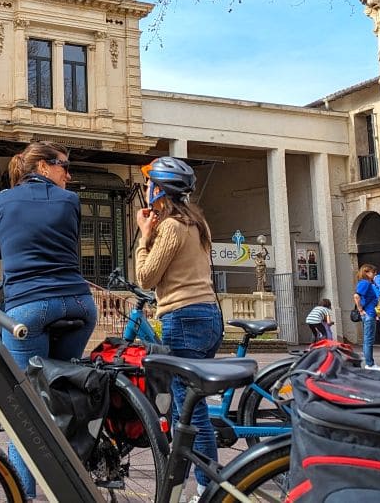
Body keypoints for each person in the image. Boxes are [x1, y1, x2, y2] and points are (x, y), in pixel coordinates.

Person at [0, 141, 96, 500]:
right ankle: (76, 479)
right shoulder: (70, 202)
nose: (68, 175)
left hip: (28, 308)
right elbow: (64, 243)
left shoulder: (2, 201)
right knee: (66, 394)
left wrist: (10, 241)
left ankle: (22, 494)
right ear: (42, 166)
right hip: (79, 304)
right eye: (64, 166)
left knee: (22, 406)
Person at [132, 155, 222, 500]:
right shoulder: (198, 222)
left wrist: (144, 235)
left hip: (183, 317)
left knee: (189, 408)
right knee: (190, 403)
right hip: (208, 315)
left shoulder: (170, 226)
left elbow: (146, 276)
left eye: (148, 184)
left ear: (159, 189)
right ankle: (186, 483)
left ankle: (207, 489)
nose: (145, 190)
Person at [353, 263, 380, 370]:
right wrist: (360, 310)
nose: (374, 274)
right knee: (369, 339)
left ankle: (369, 362)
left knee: (367, 339)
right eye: (373, 272)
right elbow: (356, 296)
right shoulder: (365, 283)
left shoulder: (365, 283)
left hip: (368, 313)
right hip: (368, 313)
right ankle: (370, 363)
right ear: (366, 272)